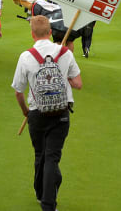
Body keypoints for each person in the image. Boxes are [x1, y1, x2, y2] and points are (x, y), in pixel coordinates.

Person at [12, 15, 82, 211]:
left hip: (36, 113)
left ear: (33, 34)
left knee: (41, 154)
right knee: (51, 158)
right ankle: (47, 201)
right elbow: (78, 84)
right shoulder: (65, 53)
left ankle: (43, 196)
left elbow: (19, 92)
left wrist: (26, 112)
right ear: (51, 32)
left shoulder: (26, 57)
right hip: (61, 113)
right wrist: (63, 78)